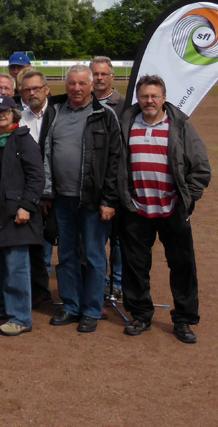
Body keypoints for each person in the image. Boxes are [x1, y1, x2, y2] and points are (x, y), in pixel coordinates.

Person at [117, 75, 211, 344]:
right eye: (144, 96)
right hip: (136, 209)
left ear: (163, 98)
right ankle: (141, 315)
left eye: (154, 96)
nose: (149, 101)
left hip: (172, 210)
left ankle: (184, 319)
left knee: (182, 266)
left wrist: (188, 199)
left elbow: (200, 167)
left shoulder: (179, 126)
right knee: (135, 266)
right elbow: (117, 165)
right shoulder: (126, 124)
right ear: (138, 98)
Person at [43, 64, 122, 334]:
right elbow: (46, 152)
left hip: (93, 200)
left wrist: (109, 200)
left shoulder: (105, 115)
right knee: (65, 254)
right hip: (62, 199)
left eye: (81, 83)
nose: (76, 88)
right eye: (72, 83)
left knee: (94, 254)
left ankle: (91, 309)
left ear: (91, 86)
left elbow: (115, 161)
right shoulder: (55, 113)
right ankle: (71, 305)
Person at [0, 96, 45, 336]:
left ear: (14, 113)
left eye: (5, 110)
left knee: (17, 266)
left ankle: (21, 317)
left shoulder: (24, 140)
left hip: (15, 212)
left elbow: (37, 177)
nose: (0, 114)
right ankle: (3, 307)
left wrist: (27, 205)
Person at [17, 71, 55, 308]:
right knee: (35, 244)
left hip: (56, 191)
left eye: (36, 88)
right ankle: (39, 290)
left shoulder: (59, 113)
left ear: (46, 89)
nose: (32, 93)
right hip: (30, 190)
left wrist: (49, 192)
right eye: (27, 90)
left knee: (57, 242)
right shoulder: (20, 118)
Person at [91, 55, 125, 299]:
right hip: (92, 184)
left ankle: (119, 282)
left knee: (119, 239)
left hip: (119, 183)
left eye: (104, 74)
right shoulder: (83, 102)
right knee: (94, 238)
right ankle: (100, 281)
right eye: (95, 74)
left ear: (112, 76)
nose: (99, 78)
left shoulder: (124, 105)